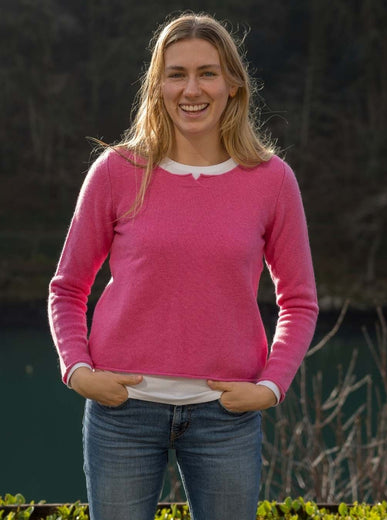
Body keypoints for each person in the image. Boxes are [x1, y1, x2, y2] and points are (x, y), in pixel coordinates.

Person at [48, 11, 318, 520]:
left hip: (226, 418)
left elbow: (299, 301)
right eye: (177, 74)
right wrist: (77, 370)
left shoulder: (272, 180)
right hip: (122, 413)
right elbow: (67, 288)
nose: (191, 89)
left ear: (233, 85)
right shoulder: (116, 171)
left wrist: (270, 386)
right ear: (158, 85)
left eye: (207, 73)